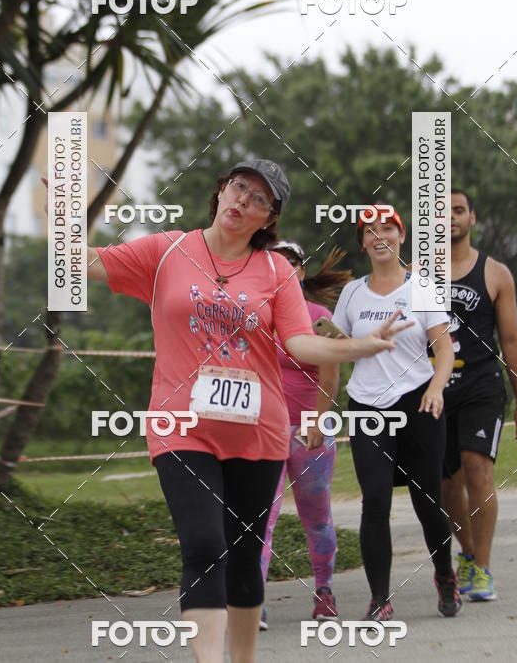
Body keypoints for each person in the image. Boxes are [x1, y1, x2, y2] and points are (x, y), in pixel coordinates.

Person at [64, 161, 411, 663]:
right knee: (205, 546)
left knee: (246, 558)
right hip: (182, 427)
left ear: (268, 219)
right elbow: (85, 260)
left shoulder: (274, 272)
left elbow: (300, 343)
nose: (242, 201)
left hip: (258, 433)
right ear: (222, 190)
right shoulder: (168, 251)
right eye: (239, 188)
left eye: (257, 199)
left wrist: (361, 347)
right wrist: (64, 214)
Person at [332, 203, 462, 621]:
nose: (379, 236)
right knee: (375, 502)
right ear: (363, 242)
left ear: (401, 237)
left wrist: (437, 388)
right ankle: (380, 598)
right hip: (367, 405)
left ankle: (445, 575)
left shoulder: (421, 288)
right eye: (370, 231)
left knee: (428, 500)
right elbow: (336, 348)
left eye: (388, 228)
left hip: (418, 401)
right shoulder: (352, 293)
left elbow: (443, 350)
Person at [438, 189, 517, 601]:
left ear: (472, 218)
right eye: (442, 213)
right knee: (446, 484)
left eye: (459, 210)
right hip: (435, 389)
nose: (451, 218)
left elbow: (511, 340)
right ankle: (468, 552)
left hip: (482, 384)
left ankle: (484, 569)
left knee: (477, 469)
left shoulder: (496, 273)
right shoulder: (418, 273)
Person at [259, 241, 352, 629]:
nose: (283, 267)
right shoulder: (257, 316)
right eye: (274, 261)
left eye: (291, 262)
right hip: (262, 430)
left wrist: (318, 420)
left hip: (309, 429)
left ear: (300, 271)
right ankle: (253, 601)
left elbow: (331, 374)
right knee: (261, 518)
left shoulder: (318, 317)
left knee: (316, 516)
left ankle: (325, 592)